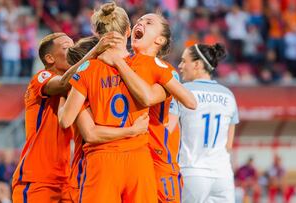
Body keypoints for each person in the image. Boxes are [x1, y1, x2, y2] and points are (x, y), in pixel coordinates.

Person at [59, 3, 160, 202]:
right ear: (128, 31)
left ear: (96, 33)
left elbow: (65, 120)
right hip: (138, 158)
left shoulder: (87, 69)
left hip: (102, 160)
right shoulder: (146, 64)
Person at [11, 31, 122, 203]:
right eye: (66, 47)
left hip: (66, 179)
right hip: (36, 179)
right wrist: (93, 53)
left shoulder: (77, 90)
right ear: (50, 59)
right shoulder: (42, 77)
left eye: (73, 45)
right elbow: (63, 84)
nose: (72, 49)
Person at [97, 12, 197, 202]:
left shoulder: (162, 68)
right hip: (125, 158)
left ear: (159, 39)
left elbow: (190, 101)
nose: (140, 23)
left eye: (148, 22)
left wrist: (118, 62)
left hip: (158, 160)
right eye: (139, 21)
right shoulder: (123, 63)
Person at [169, 43, 239, 203]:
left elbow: (168, 130)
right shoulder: (229, 95)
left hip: (193, 172)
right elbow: (228, 145)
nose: (180, 66)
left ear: (197, 64)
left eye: (183, 61)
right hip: (223, 175)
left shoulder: (183, 91)